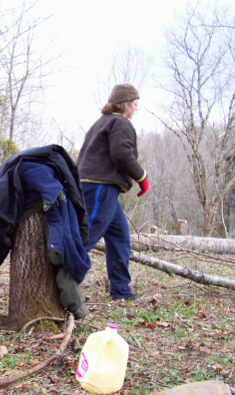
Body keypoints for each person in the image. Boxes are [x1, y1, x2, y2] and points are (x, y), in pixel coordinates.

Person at [76, 83, 149, 301]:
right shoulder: (120, 123)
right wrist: (142, 178)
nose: (136, 109)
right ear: (126, 104)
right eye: (135, 104)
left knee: (119, 237)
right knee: (86, 235)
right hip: (100, 186)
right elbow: (122, 156)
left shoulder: (101, 122)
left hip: (97, 186)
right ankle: (59, 283)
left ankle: (121, 291)